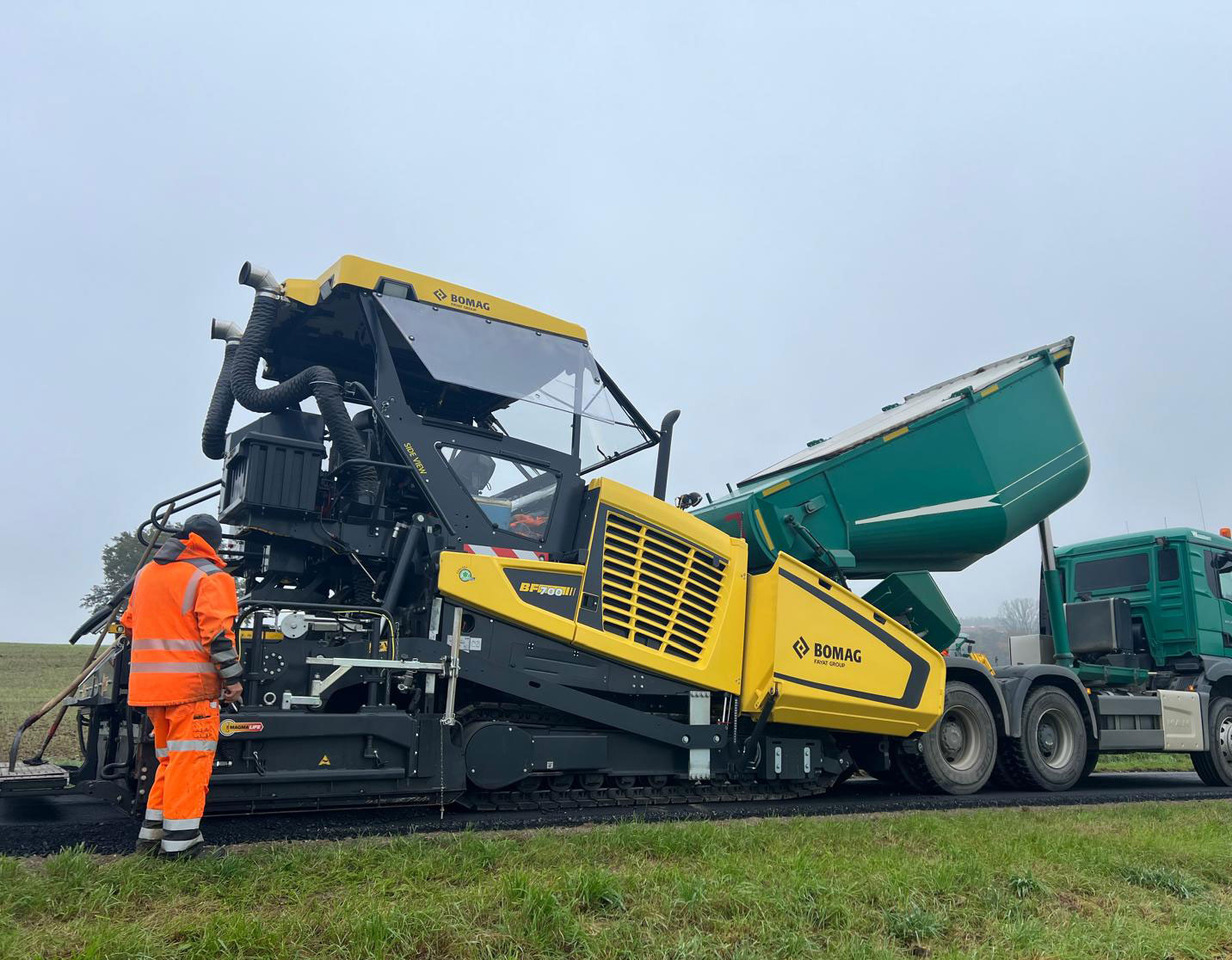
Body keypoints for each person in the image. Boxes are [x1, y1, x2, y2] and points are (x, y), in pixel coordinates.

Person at [120, 514, 242, 858]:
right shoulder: (211, 576)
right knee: (190, 766)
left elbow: (129, 625)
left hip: (151, 689)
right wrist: (232, 679)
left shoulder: (146, 575)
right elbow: (217, 636)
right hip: (192, 690)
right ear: (214, 543)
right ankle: (181, 847)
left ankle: (151, 838)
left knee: (169, 763)